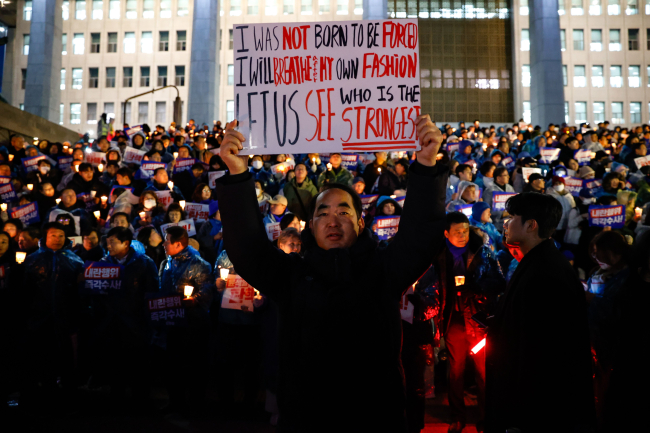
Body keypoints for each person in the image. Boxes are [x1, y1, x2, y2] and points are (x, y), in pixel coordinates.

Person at [216, 115, 447, 432]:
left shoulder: (384, 269)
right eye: (322, 212)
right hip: (306, 418)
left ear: (361, 222)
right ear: (311, 226)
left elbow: (420, 238)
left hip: (377, 418)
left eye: (343, 211)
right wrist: (238, 174)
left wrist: (425, 166)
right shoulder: (292, 275)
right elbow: (247, 250)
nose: (332, 221)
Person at [485, 193, 595, 432]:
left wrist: (519, 417)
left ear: (531, 225)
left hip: (535, 409)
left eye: (512, 218)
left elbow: (540, 352)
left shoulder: (545, 273)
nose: (506, 224)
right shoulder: (538, 261)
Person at [415, 212, 505, 433]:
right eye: (457, 231)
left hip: (478, 319)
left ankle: (486, 417)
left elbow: (498, 282)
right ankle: (458, 416)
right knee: (456, 369)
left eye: (465, 230)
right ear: (446, 233)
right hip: (453, 319)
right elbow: (427, 288)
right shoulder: (438, 256)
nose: (463, 235)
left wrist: (475, 287)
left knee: (483, 370)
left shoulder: (482, 252)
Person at [84, 227, 159, 404]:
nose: (108, 246)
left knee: (138, 364)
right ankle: (116, 400)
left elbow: (152, 292)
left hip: (135, 323)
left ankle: (141, 401)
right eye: (107, 242)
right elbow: (95, 295)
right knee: (114, 363)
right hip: (110, 323)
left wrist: (146, 320)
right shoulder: (103, 263)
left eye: (112, 242)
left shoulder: (144, 263)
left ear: (126, 243)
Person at [22, 222, 84, 400]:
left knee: (65, 356)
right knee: (42, 354)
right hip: (39, 316)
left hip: (65, 316)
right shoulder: (33, 259)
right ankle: (44, 390)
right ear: (45, 238)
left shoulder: (75, 260)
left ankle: (66, 393)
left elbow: (80, 291)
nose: (57, 239)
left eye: (61, 236)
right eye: (53, 236)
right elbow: (26, 291)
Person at [159, 226, 213, 415]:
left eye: (166, 241)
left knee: (193, 364)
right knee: (173, 364)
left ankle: (195, 405)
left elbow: (207, 290)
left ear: (178, 244)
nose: (163, 244)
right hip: (172, 320)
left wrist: (194, 300)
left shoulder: (198, 264)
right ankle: (176, 402)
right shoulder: (167, 262)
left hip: (192, 323)